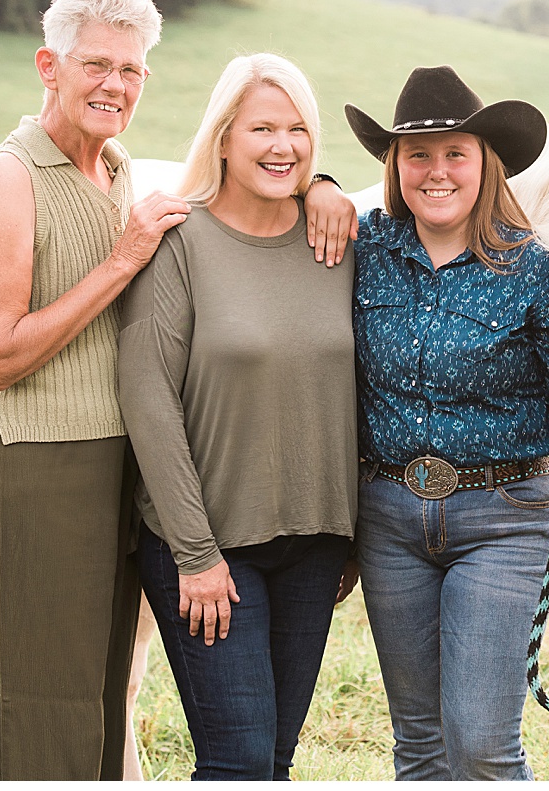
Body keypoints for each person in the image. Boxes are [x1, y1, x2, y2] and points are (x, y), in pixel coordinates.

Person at [0, 0, 354, 780]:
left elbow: (261, 181)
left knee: (102, 703)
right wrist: (124, 259)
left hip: (107, 463)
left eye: (132, 70)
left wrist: (324, 183)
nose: (115, 84)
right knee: (38, 703)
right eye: (97, 65)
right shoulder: (7, 176)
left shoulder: (115, 168)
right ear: (49, 66)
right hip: (31, 455)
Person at [342, 65, 549, 781]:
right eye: (417, 155)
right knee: (420, 744)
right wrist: (316, 189)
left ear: (485, 163)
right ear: (394, 168)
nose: (437, 172)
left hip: (506, 517)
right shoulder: (364, 254)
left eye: (455, 153)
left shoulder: (535, 269)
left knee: (482, 746)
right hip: (390, 514)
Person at [116, 53, 360, 781]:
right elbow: (148, 399)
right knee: (240, 761)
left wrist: (330, 189)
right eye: (261, 127)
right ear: (223, 136)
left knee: (274, 761)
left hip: (315, 542)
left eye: (298, 129)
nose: (282, 145)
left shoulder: (340, 242)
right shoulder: (179, 241)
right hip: (210, 548)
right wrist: (194, 553)